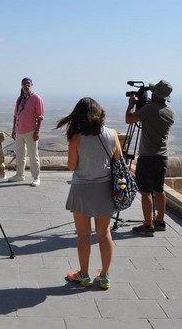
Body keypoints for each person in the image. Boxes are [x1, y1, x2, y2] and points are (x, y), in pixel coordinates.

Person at [56, 97, 120, 289]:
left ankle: (83, 275)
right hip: (104, 189)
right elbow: (118, 160)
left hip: (82, 190)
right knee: (104, 233)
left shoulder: (76, 138)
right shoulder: (112, 134)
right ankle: (105, 277)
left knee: (83, 235)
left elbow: (71, 166)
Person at [125, 79, 176, 237]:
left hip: (147, 157)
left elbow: (129, 119)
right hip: (162, 157)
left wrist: (131, 104)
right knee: (159, 190)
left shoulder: (149, 110)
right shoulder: (170, 113)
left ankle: (148, 226)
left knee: (146, 192)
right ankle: (159, 221)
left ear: (155, 94)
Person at [7, 77, 45, 187]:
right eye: (24, 84)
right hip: (19, 131)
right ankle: (19, 175)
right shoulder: (20, 99)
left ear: (32, 84)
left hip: (31, 131)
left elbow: (40, 117)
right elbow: (16, 115)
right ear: (21, 85)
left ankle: (36, 177)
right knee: (20, 155)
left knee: (33, 156)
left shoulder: (37, 99)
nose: (26, 85)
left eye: (28, 83)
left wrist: (37, 132)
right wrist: (14, 129)